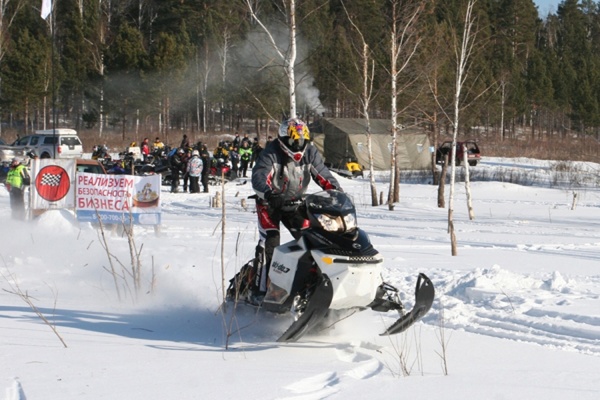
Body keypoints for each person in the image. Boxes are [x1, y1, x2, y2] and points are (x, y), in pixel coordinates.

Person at [248, 118, 341, 305]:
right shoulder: (271, 153)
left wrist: (336, 193)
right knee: (270, 241)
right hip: (270, 204)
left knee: (311, 239)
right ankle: (260, 291)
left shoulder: (310, 152)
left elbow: (323, 174)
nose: (298, 145)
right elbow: (259, 176)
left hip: (296, 204)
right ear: (283, 139)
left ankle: (310, 284)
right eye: (293, 141)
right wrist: (269, 193)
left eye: (301, 141)